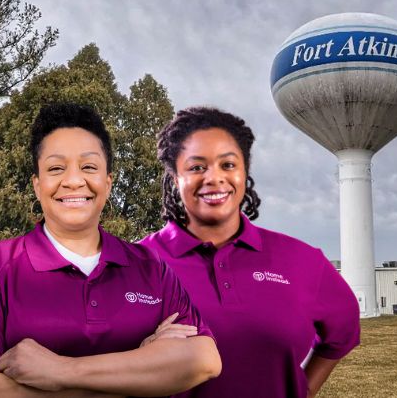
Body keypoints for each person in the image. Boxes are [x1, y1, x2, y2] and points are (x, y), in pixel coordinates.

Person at [0, 102, 221, 397]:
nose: (74, 181)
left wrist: (61, 371)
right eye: (56, 168)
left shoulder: (151, 267)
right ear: (37, 185)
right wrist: (140, 370)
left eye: (89, 167)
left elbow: (204, 360)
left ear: (108, 182)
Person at [139, 107, 360, 398]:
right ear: (174, 176)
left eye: (228, 165)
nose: (214, 178)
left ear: (245, 171)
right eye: (196, 167)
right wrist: (141, 353)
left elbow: (343, 333)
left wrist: (303, 388)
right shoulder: (135, 264)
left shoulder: (302, 261)